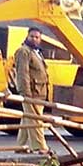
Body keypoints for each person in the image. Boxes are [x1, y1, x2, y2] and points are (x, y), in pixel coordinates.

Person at [11, 26, 51, 154]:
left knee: (27, 119)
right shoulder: (24, 51)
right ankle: (40, 147)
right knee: (35, 120)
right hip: (31, 92)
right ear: (27, 36)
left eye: (37, 37)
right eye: (32, 36)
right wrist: (25, 93)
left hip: (40, 92)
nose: (34, 39)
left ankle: (20, 146)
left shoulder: (37, 52)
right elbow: (23, 73)